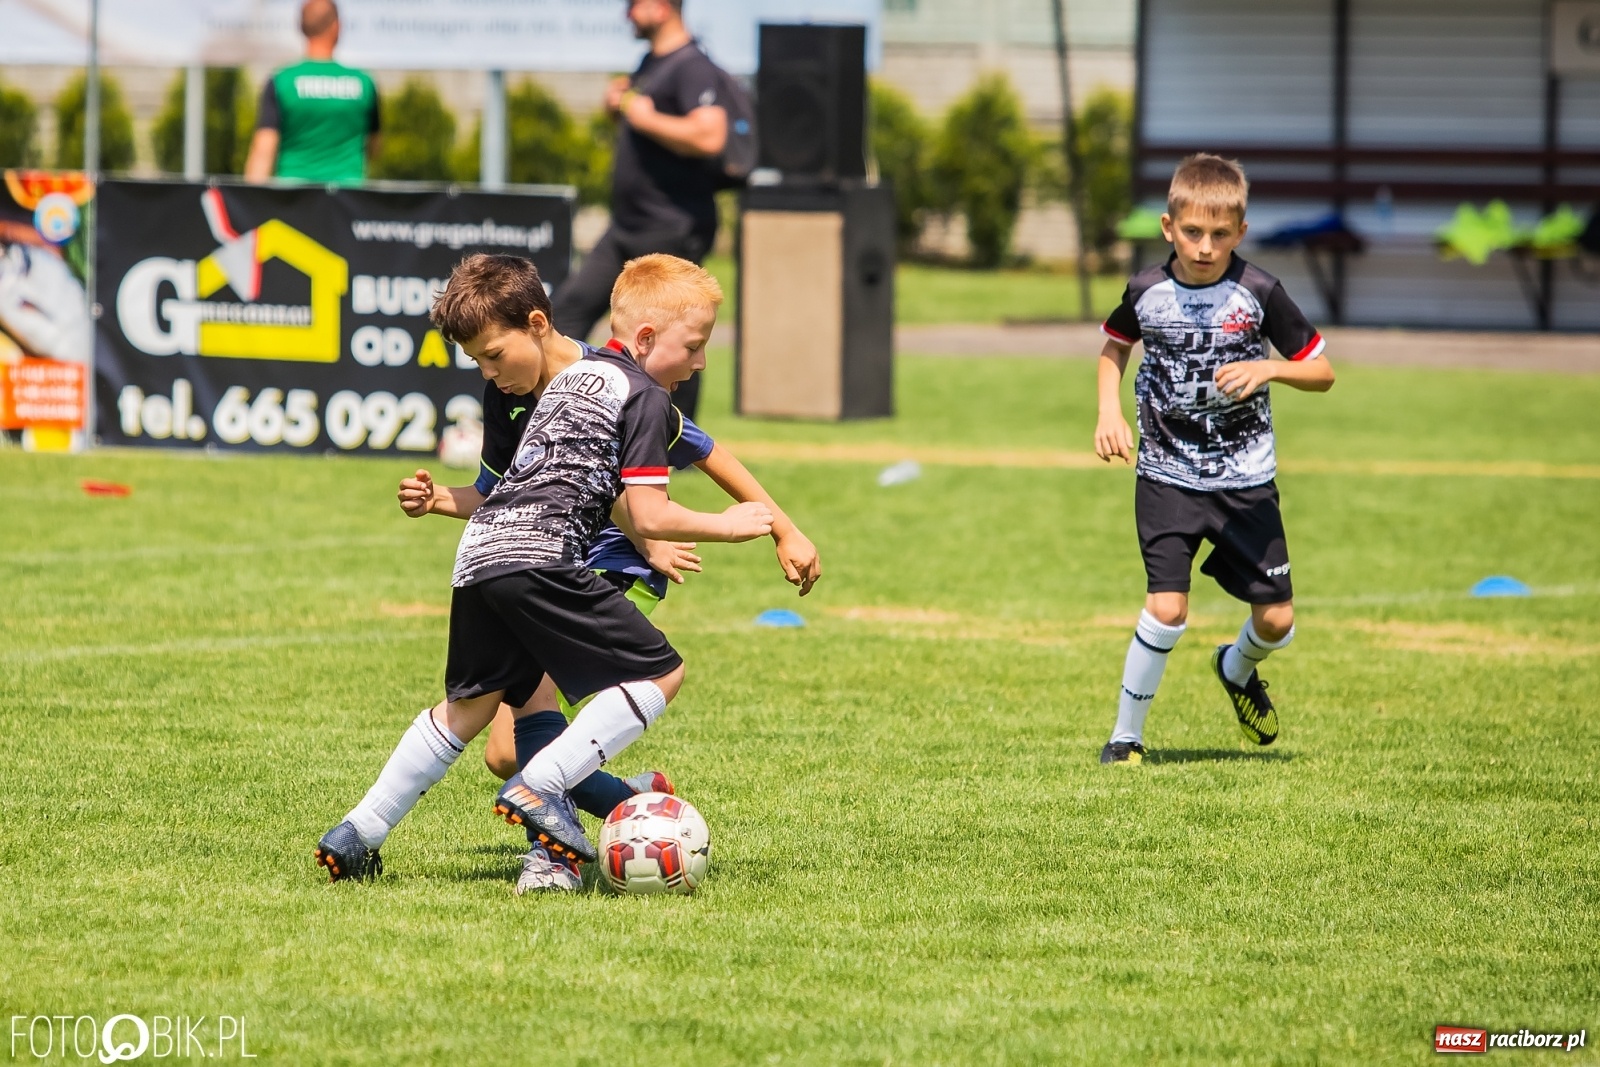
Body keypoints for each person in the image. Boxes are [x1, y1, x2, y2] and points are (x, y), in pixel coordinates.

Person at [315, 252, 775, 883]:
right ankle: (547, 787)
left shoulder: (558, 392)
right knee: (660, 674)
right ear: (649, 344)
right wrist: (730, 524)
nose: (697, 364)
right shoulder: (637, 396)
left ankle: (357, 832)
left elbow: (540, 484)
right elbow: (647, 511)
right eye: (694, 351)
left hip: (479, 555)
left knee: (468, 712)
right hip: (544, 556)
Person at [1093, 154, 1336, 765]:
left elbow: (1322, 371)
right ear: (1168, 226)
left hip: (1246, 480)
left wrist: (1271, 367)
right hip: (1167, 474)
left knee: (1277, 622)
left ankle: (1236, 666)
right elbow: (1113, 350)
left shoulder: (1258, 293)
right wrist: (1109, 412)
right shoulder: (1146, 290)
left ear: (1241, 233)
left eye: (1220, 235)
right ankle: (1126, 737)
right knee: (1167, 606)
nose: (1205, 247)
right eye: (1193, 233)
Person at [551, 0, 732, 419]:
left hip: (671, 224)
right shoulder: (651, 62)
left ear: (663, 7)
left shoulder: (692, 66)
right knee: (570, 312)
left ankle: (676, 440)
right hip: (629, 226)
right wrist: (622, 108)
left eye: (635, 5)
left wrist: (642, 115)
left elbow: (710, 136)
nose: (627, 13)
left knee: (676, 335)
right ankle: (566, 420)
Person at [243, 0, 380, 184]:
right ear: (337, 27)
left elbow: (263, 151)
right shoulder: (364, 83)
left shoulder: (282, 81)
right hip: (348, 198)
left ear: (301, 27)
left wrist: (250, 204)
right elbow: (374, 146)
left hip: (294, 198)